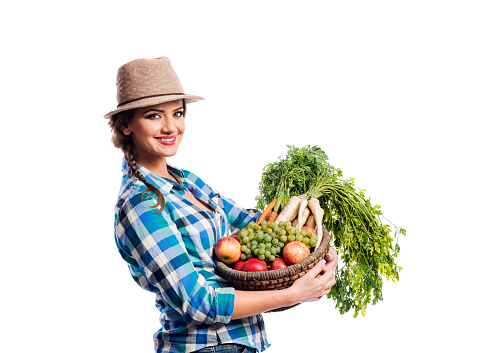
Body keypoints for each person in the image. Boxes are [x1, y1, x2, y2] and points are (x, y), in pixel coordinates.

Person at [105, 56, 338, 353]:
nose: (170, 127)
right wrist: (292, 294)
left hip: (239, 344)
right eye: (153, 116)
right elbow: (198, 302)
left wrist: (317, 247)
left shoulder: (187, 182)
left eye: (177, 113)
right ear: (126, 125)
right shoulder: (141, 205)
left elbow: (253, 223)